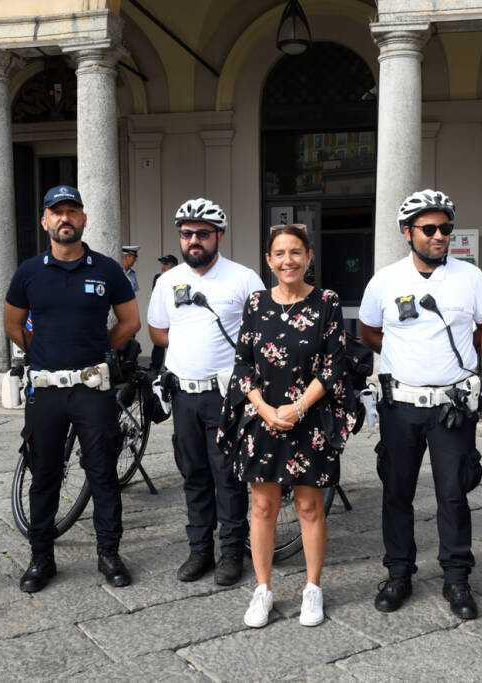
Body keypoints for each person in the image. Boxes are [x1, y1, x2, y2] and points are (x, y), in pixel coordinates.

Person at [359, 190, 482, 618]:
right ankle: (399, 573)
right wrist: (409, 354)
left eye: (446, 228)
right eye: (429, 228)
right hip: (402, 405)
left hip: (452, 404)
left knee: (454, 493)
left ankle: (457, 578)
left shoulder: (471, 278)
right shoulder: (385, 280)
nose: (440, 236)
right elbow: (369, 332)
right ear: (407, 232)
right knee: (397, 491)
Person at [218, 224, 356, 629]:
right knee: (262, 507)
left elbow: (335, 366)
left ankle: (313, 587)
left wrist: (297, 407)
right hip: (264, 419)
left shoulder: (326, 301)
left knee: (310, 508)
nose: (288, 261)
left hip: (309, 419)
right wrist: (262, 407)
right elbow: (243, 363)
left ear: (309, 257)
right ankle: (263, 589)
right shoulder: (256, 302)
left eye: (296, 252)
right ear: (268, 260)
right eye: (279, 254)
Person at [4, 185, 141, 593]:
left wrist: (100, 351)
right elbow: (12, 324)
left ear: (83, 219)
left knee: (102, 473)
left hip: (92, 388)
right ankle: (41, 557)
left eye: (72, 212)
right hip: (45, 391)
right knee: (43, 474)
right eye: (56, 213)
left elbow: (130, 322)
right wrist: (42, 354)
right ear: (45, 222)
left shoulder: (107, 270)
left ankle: (108, 553)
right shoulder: (28, 272)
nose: (65, 219)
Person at [147, 198, 263, 585]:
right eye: (187, 233)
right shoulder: (167, 281)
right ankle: (200, 551)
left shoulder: (244, 278)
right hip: (183, 394)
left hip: (226, 395)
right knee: (193, 473)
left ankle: (232, 551)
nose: (193, 240)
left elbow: (259, 335)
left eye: (202, 233)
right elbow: (159, 332)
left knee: (227, 475)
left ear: (219, 236)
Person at [150, 254, 178, 371]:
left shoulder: (179, 277)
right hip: (161, 314)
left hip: (174, 314)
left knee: (173, 341)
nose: (163, 266)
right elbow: (155, 295)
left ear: (174, 266)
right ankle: (155, 368)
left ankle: (171, 368)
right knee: (159, 342)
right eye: (162, 264)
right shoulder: (158, 278)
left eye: (166, 264)